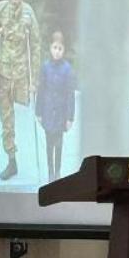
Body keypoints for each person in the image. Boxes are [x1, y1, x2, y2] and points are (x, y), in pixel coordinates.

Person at [0, 0, 40, 181]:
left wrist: (34, 79)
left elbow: (35, 45)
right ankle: (11, 160)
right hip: (2, 75)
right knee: (7, 121)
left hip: (21, 76)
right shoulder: (0, 9)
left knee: (28, 116)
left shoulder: (29, 12)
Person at [36, 32, 76, 182]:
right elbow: (41, 89)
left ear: (63, 50)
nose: (57, 51)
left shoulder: (67, 69)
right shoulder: (45, 67)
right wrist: (39, 112)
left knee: (58, 145)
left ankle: (58, 172)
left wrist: (70, 117)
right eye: (55, 47)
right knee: (49, 144)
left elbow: (70, 94)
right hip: (47, 110)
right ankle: (50, 171)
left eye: (60, 48)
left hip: (61, 113)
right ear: (50, 48)